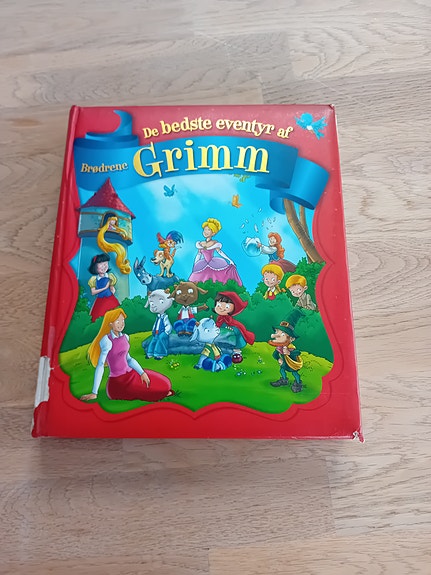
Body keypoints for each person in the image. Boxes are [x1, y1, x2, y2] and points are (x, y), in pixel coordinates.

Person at [81, 308, 173, 402]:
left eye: (122, 321)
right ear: (110, 324)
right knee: (157, 388)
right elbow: (100, 365)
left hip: (131, 374)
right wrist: (94, 392)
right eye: (118, 321)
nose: (121, 324)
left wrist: (142, 373)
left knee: (165, 383)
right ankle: (159, 392)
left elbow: (128, 359)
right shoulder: (107, 341)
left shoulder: (125, 337)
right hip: (118, 381)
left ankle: (161, 391)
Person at [189, 218, 242, 285]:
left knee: (215, 279)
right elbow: (199, 254)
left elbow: (220, 252)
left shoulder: (214, 243)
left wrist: (229, 260)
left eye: (208, 230)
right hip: (203, 264)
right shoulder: (201, 243)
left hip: (214, 263)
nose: (206, 231)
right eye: (205, 229)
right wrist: (195, 264)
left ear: (213, 233)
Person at [213, 291, 255, 363]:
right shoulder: (219, 320)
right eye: (218, 305)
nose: (221, 308)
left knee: (237, 331)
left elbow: (237, 328)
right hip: (221, 334)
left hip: (232, 332)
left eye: (227, 307)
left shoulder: (233, 323)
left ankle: (236, 351)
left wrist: (231, 329)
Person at [88, 253, 120, 322]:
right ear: (95, 266)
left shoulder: (110, 276)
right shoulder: (94, 279)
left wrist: (111, 291)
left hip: (110, 299)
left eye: (106, 263)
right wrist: (104, 288)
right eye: (101, 264)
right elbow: (93, 292)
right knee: (99, 317)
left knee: (115, 316)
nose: (104, 266)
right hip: (100, 301)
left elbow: (112, 289)